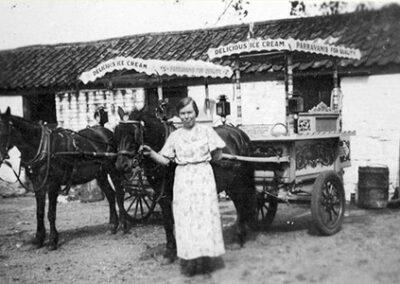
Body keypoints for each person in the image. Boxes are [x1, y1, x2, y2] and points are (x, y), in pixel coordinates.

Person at [142, 97, 226, 277]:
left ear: (195, 113)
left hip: (203, 177)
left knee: (204, 218)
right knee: (186, 220)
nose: (187, 117)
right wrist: (151, 153)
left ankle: (206, 262)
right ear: (178, 116)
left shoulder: (206, 131)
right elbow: (165, 160)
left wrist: (203, 162)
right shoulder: (175, 136)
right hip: (183, 179)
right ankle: (191, 261)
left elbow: (218, 154)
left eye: (190, 112)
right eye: (183, 113)